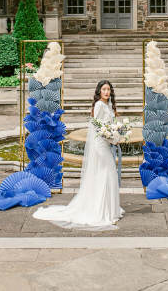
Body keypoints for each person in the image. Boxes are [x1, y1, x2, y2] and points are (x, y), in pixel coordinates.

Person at [32, 80, 124, 230]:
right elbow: (97, 127)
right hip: (100, 145)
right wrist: (111, 136)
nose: (106, 92)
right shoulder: (100, 105)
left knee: (106, 175)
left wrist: (115, 134)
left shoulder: (108, 105)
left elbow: (108, 125)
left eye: (108, 89)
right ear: (99, 91)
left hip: (106, 144)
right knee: (107, 174)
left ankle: (109, 209)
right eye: (104, 89)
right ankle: (102, 212)